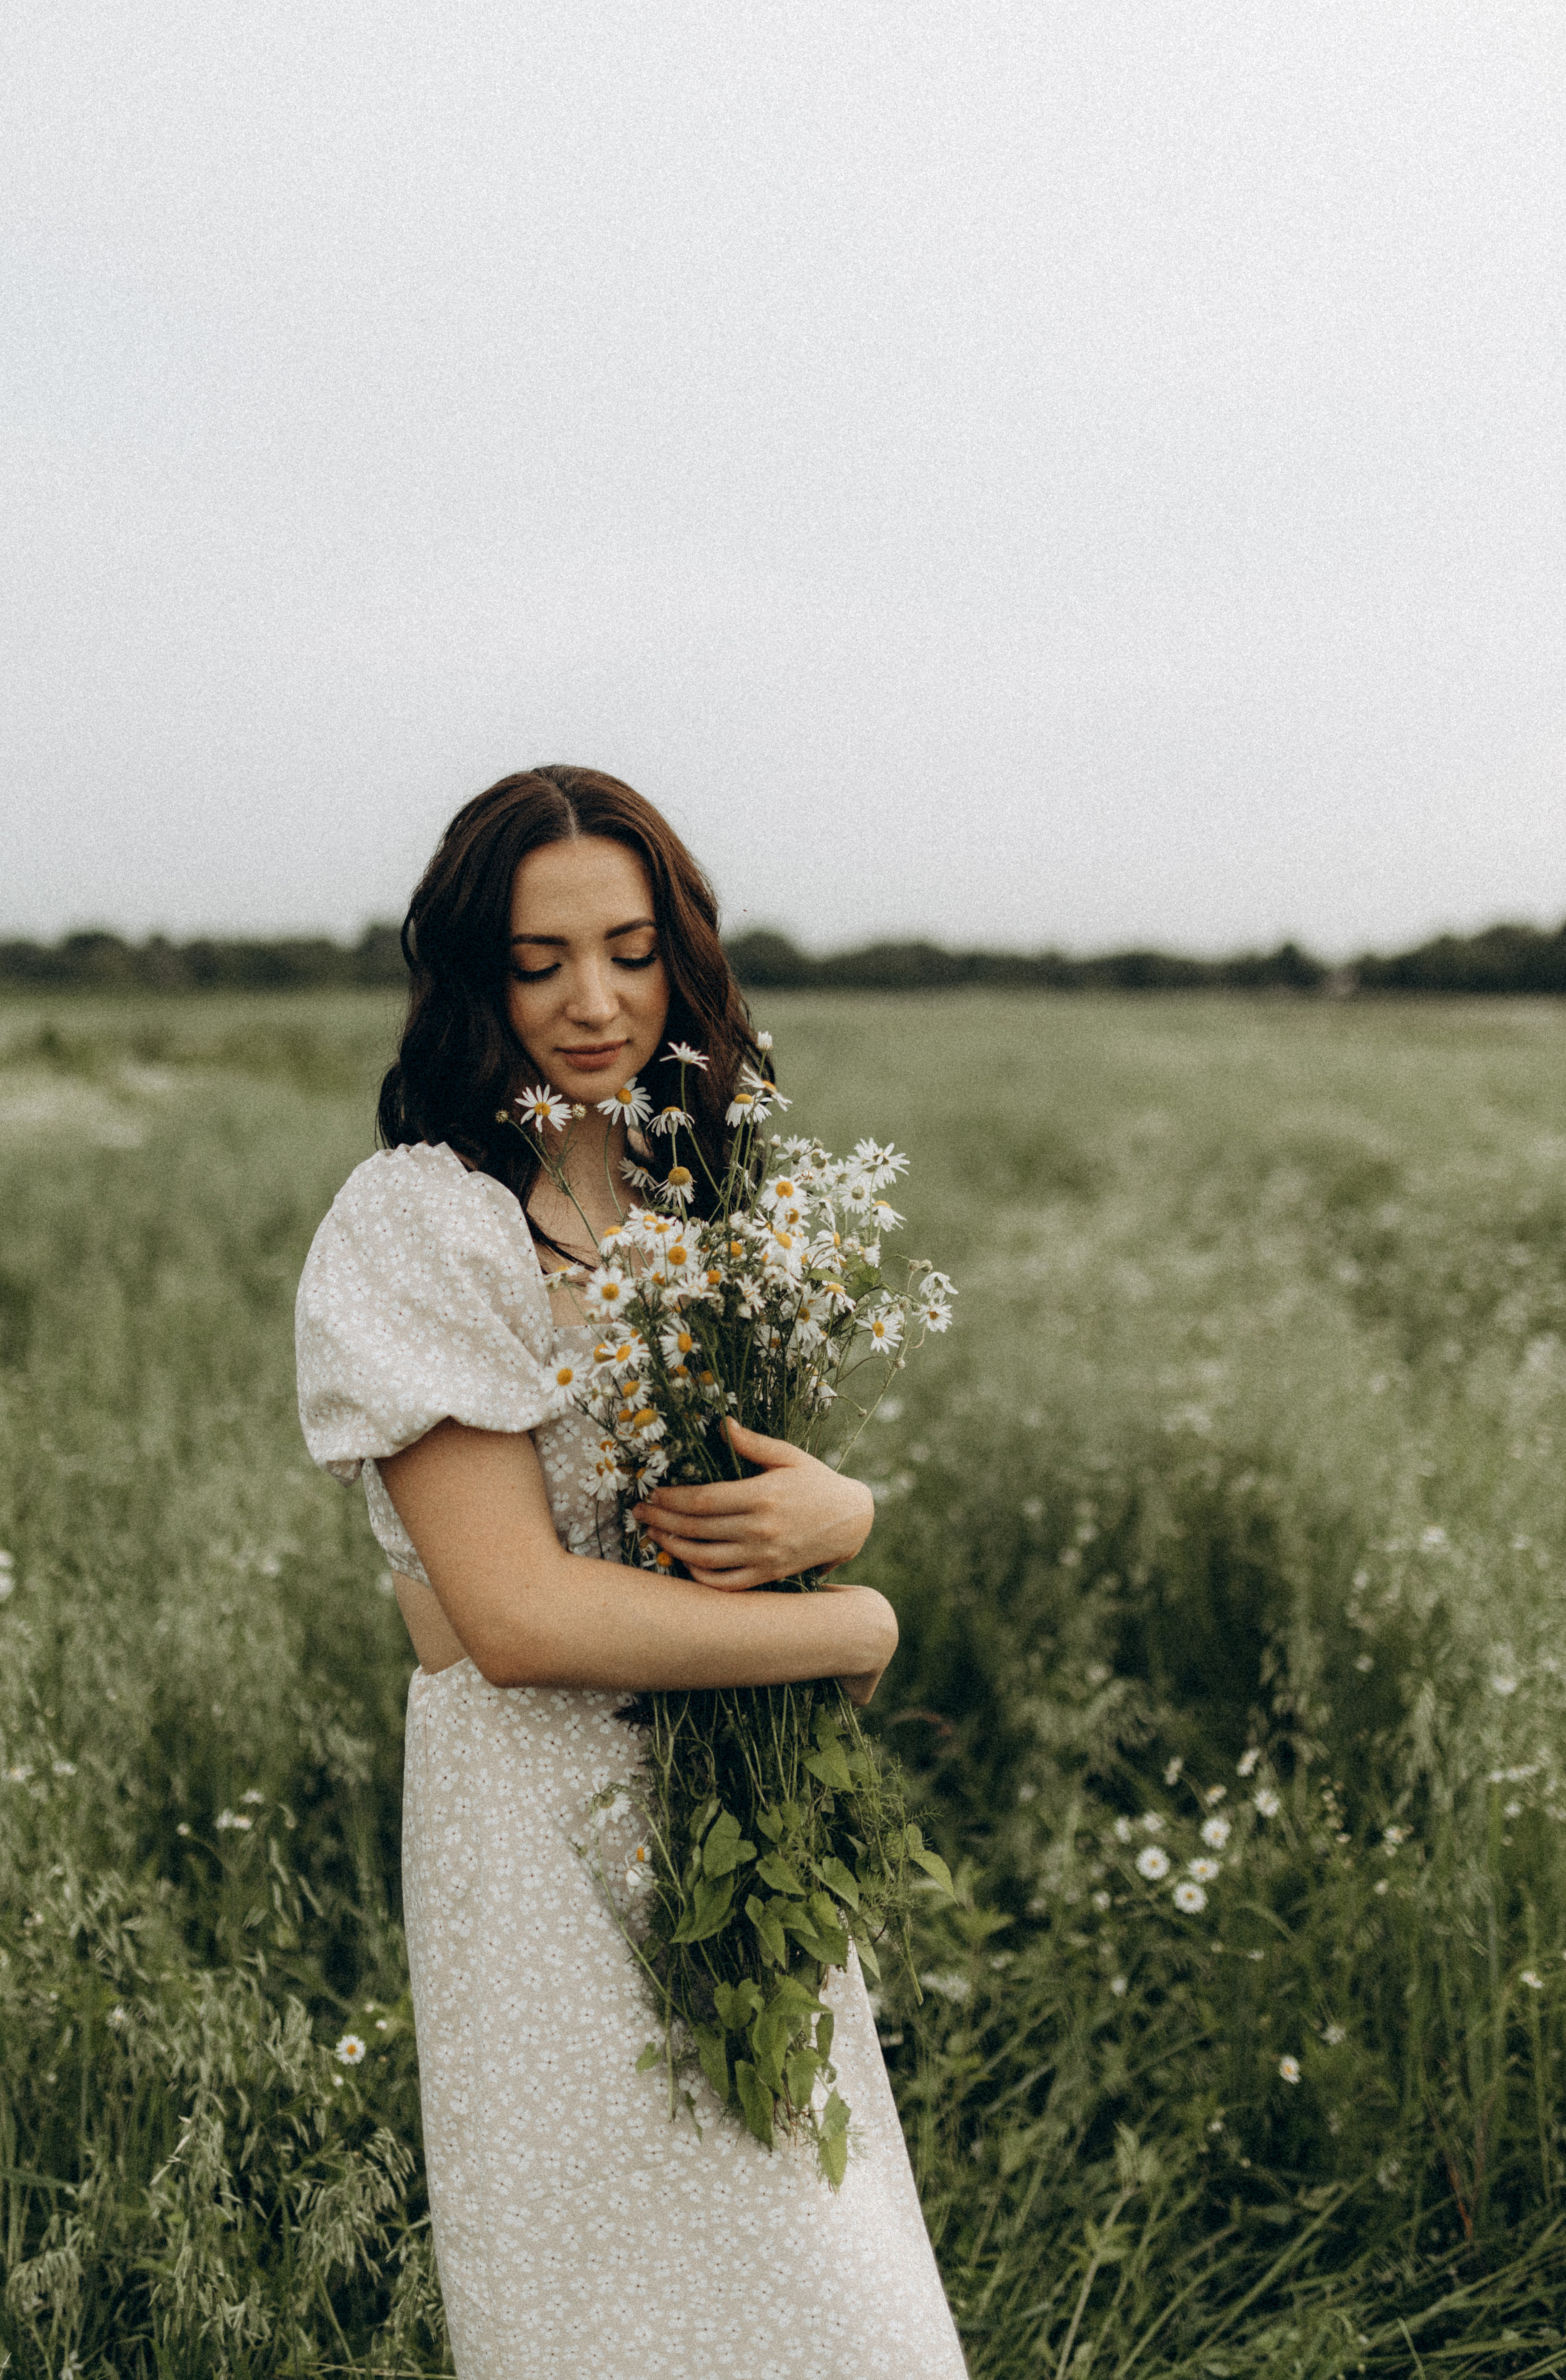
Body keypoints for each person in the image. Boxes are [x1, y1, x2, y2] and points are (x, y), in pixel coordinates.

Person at [295, 765, 968, 2379]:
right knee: (617, 2305)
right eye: (537, 962)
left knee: (830, 2285)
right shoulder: (425, 1227)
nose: (591, 1000)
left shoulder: (707, 1198)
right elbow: (510, 1621)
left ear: (684, 957)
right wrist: (853, 1625)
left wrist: (836, 1521)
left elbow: (737, 1516)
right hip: (533, 1835)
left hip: (741, 1814)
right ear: (472, 975)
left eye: (629, 947)